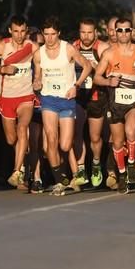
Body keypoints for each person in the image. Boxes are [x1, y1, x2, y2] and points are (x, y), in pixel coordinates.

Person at [93, 18, 135, 192]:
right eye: (119, 30)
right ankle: (121, 174)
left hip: (134, 100)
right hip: (114, 102)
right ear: (114, 31)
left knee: (131, 131)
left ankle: (130, 164)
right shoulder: (109, 53)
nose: (123, 34)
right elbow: (97, 77)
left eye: (126, 30)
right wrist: (108, 81)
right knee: (118, 142)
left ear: (131, 31)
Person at [33, 17, 92, 196]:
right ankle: (59, 179)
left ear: (58, 33)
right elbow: (38, 76)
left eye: (53, 34)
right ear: (43, 35)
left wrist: (76, 86)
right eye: (46, 34)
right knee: (51, 139)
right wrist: (36, 83)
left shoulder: (68, 49)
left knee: (65, 145)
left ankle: (68, 175)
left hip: (66, 100)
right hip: (48, 99)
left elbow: (88, 66)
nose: (49, 38)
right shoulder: (38, 54)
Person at [0, 15, 39, 188]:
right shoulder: (3, 46)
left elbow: (40, 65)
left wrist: (38, 78)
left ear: (26, 31)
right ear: (10, 31)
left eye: (22, 31)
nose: (19, 35)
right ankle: (23, 164)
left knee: (22, 128)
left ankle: (17, 172)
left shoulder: (32, 46)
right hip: (6, 97)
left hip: (26, 96)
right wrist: (2, 69)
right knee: (11, 139)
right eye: (16, 31)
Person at [72, 18, 110, 188]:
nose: (86, 36)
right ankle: (80, 169)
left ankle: (95, 163)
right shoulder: (73, 47)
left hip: (96, 96)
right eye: (83, 32)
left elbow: (111, 71)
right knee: (76, 133)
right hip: (79, 95)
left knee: (95, 137)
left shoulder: (102, 48)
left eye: (89, 32)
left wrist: (98, 67)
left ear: (95, 33)